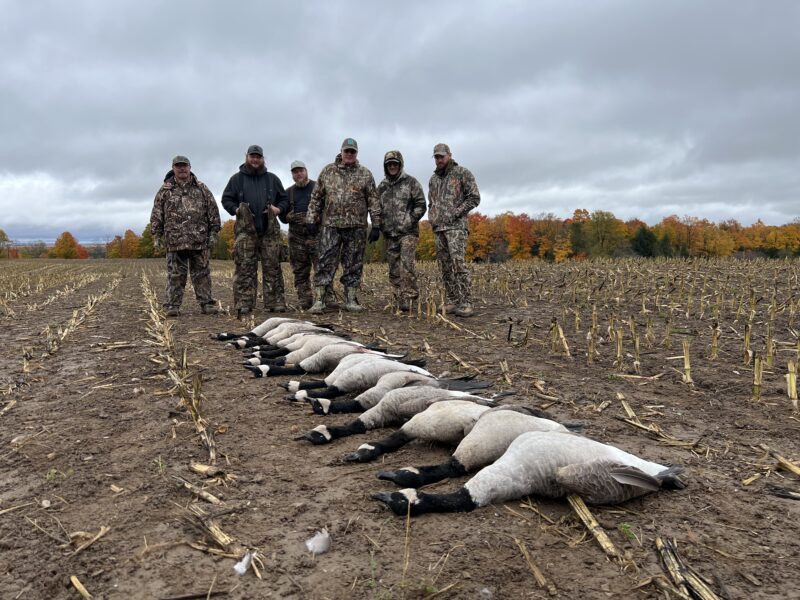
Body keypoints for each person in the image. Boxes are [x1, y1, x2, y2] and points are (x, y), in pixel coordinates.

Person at [306, 138, 381, 313]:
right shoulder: (328, 171)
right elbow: (316, 197)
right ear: (341, 151)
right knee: (325, 262)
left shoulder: (365, 174)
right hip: (330, 226)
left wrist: (376, 224)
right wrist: (311, 218)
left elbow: (373, 200)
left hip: (356, 227)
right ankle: (319, 300)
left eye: (352, 152)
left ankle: (350, 300)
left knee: (354, 263)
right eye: (346, 151)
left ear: (356, 154)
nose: (349, 154)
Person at [221, 145, 289, 316]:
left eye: (258, 156)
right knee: (244, 268)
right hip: (245, 232)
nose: (255, 159)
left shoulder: (272, 179)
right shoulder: (236, 179)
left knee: (273, 267)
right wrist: (236, 210)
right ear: (247, 157)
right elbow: (226, 199)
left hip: (270, 232)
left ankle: (275, 302)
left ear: (263, 158)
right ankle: (244, 303)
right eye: (252, 156)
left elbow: (285, 200)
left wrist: (278, 209)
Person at [150, 155, 221, 318]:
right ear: (173, 168)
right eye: (178, 166)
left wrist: (214, 233)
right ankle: (172, 305)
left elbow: (213, 211)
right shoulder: (165, 190)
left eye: (184, 166)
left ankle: (206, 304)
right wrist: (157, 235)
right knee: (175, 275)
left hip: (199, 240)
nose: (182, 169)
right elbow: (156, 214)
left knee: (202, 274)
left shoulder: (202, 188)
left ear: (190, 167)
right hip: (175, 241)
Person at [428, 143, 480, 317]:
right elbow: (431, 203)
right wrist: (432, 217)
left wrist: (455, 213)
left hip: (456, 228)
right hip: (439, 229)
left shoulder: (462, 173)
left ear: (449, 155)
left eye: (442, 156)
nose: (439, 159)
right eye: (436, 156)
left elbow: (474, 198)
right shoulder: (433, 180)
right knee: (445, 266)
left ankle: (466, 303)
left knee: (458, 264)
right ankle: (452, 300)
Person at [377, 150, 426, 311]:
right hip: (389, 234)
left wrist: (409, 220)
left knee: (406, 265)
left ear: (400, 164)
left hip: (408, 233)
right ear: (385, 166)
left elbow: (421, 204)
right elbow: (376, 208)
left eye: (395, 164)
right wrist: (379, 225)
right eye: (389, 164)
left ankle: (410, 297)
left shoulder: (411, 182)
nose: (392, 166)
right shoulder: (382, 186)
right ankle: (399, 296)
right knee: (393, 267)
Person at [282, 160, 334, 309]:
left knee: (323, 267)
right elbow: (282, 216)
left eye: (301, 171)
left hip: (316, 235)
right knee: (300, 270)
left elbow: (328, 209)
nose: (299, 174)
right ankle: (305, 299)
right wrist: (287, 217)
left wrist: (317, 218)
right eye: (295, 172)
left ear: (306, 171)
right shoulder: (288, 192)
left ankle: (326, 299)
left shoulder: (318, 188)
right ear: (292, 174)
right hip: (296, 237)